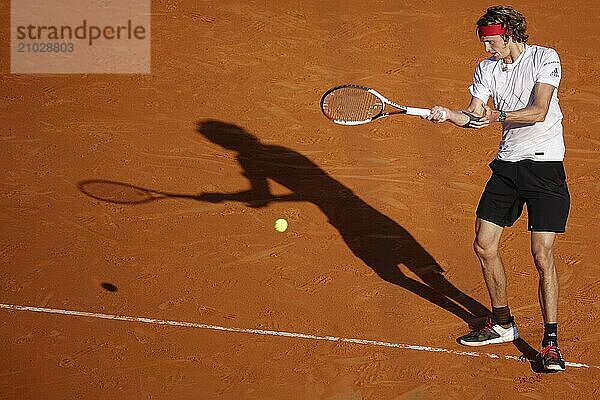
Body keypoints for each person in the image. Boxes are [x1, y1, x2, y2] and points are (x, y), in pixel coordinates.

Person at [423, 6, 570, 371]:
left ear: (510, 35)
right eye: (484, 43)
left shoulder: (544, 58)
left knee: (541, 255)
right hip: (507, 167)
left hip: (545, 167)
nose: (487, 50)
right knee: (484, 244)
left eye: (491, 43)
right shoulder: (487, 68)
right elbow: (476, 114)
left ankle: (550, 342)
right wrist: (449, 114)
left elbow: (538, 110)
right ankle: (503, 322)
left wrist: (497, 116)